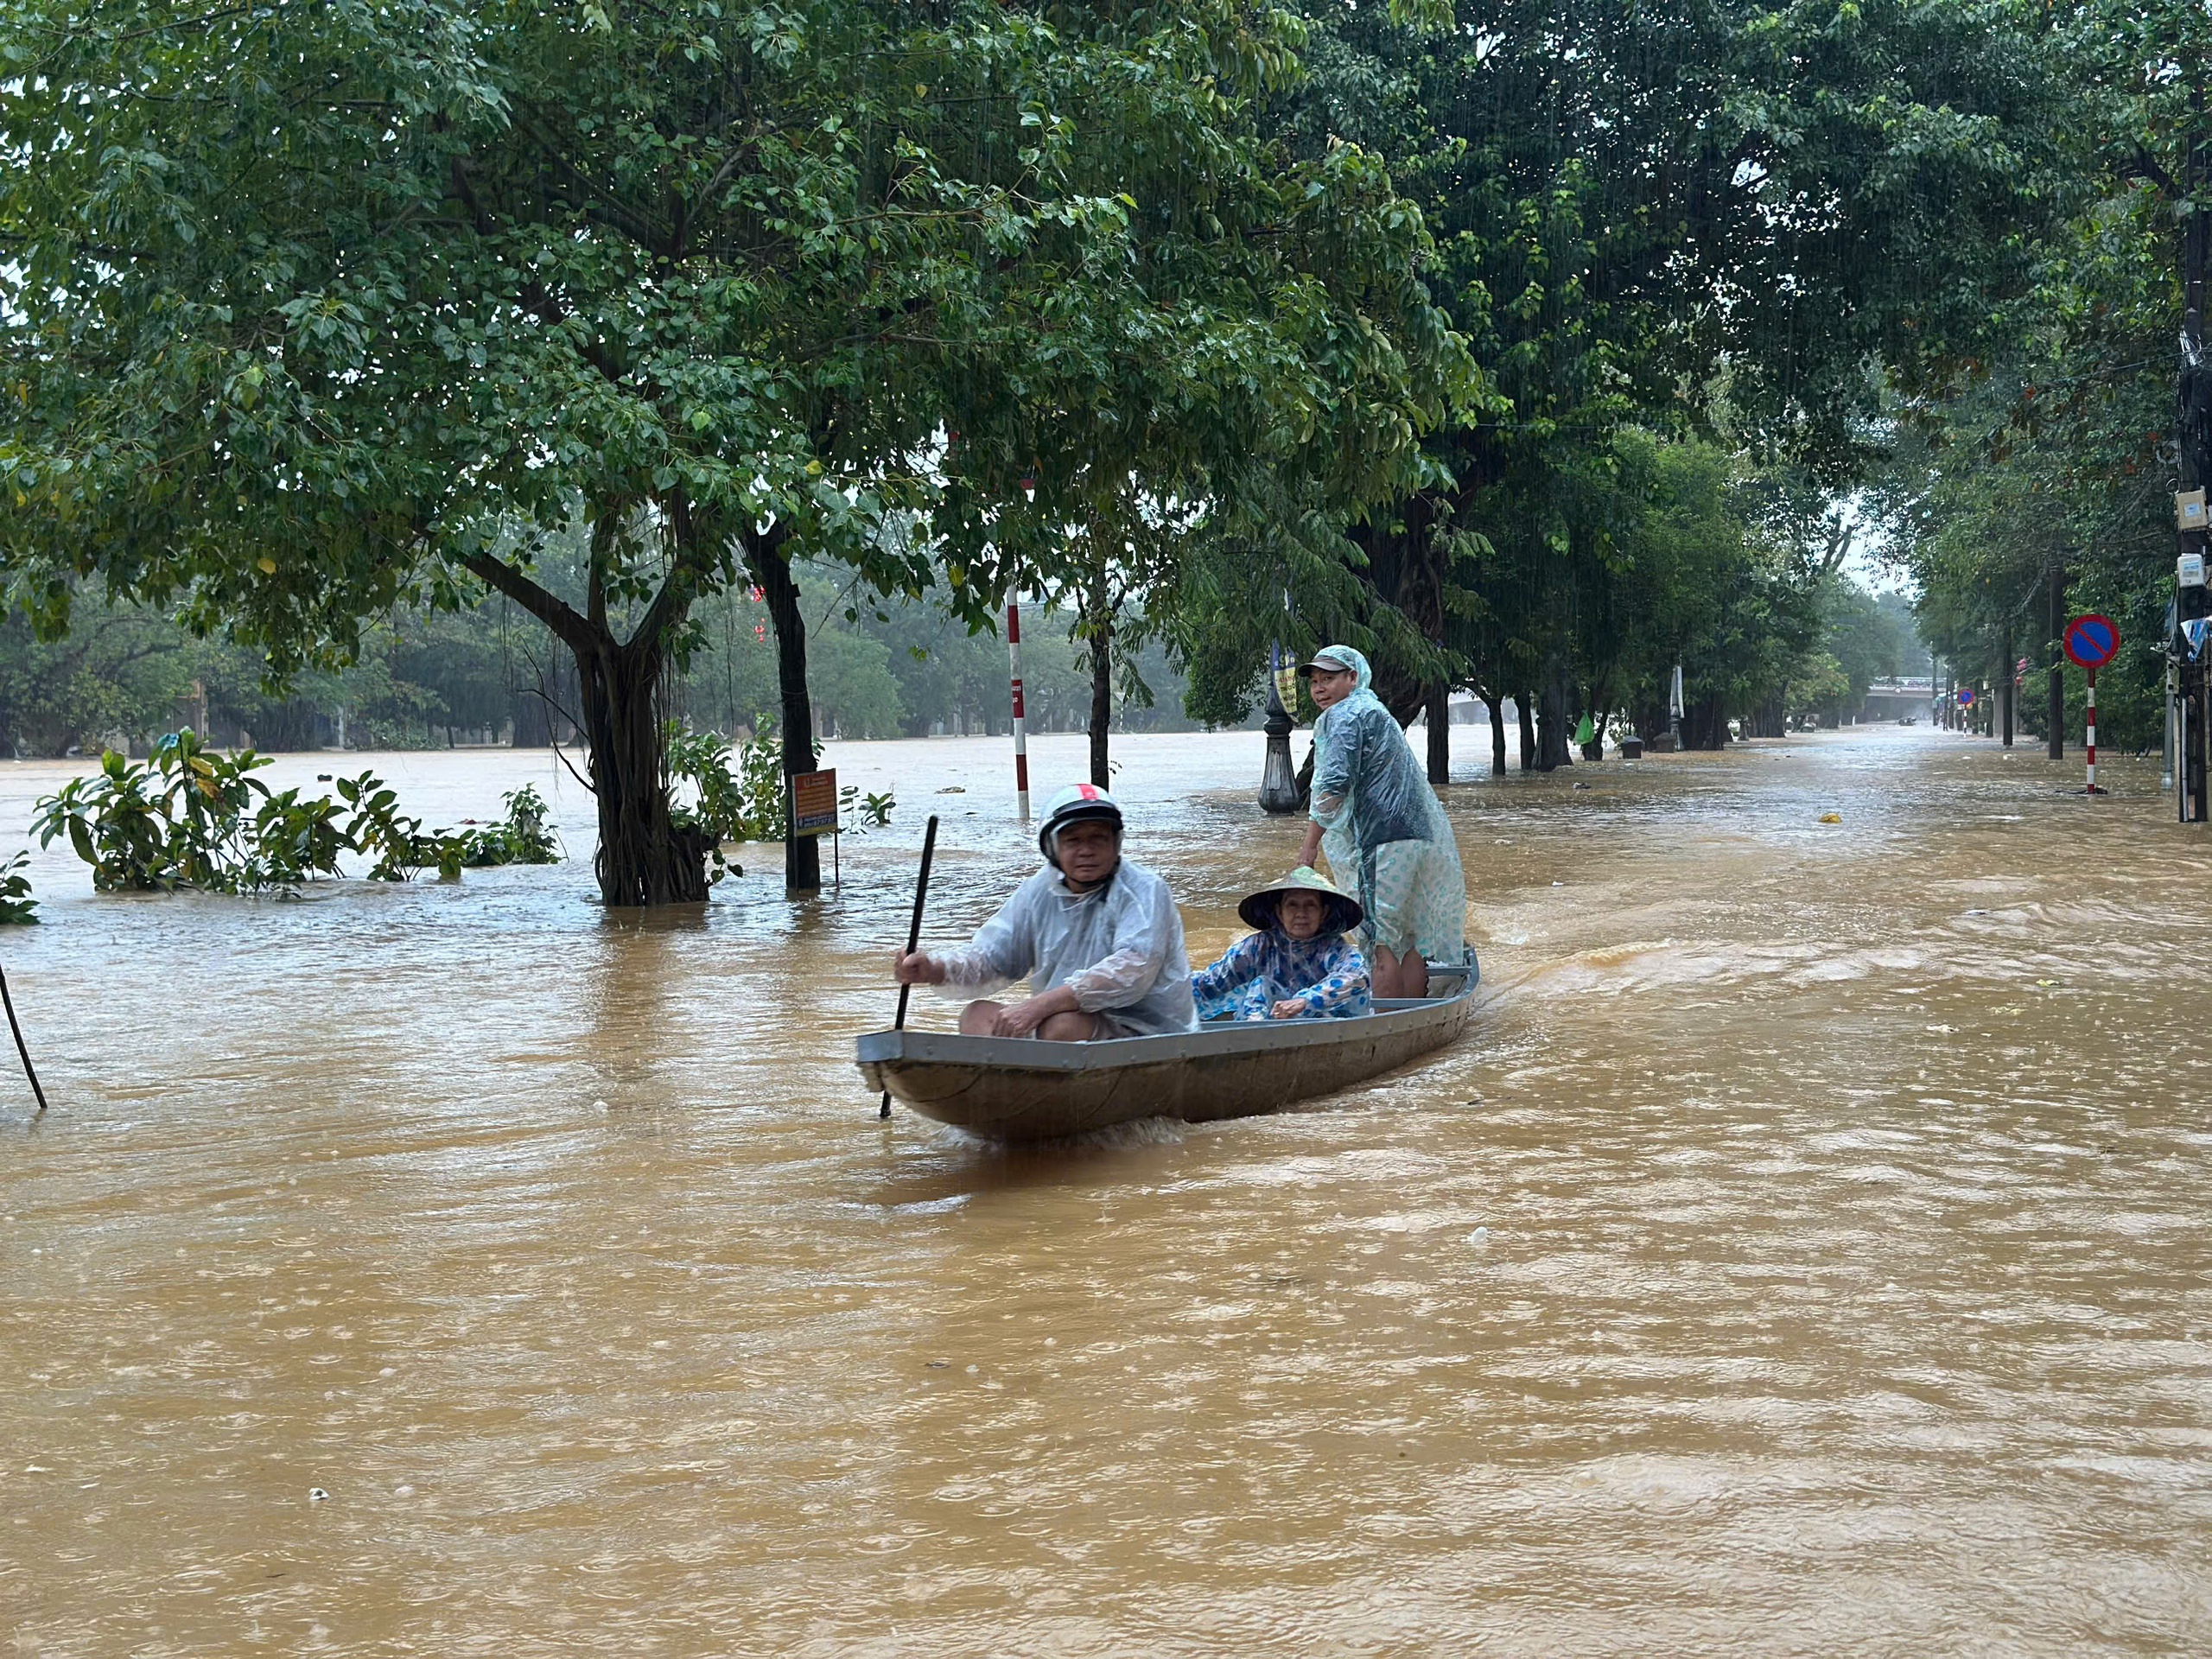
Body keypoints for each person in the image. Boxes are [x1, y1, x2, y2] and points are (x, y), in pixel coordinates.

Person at [892, 784, 1197, 1039]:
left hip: (1142, 1032)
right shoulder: (1039, 891)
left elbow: (1132, 971)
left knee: (1060, 1027)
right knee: (976, 1016)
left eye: (1098, 839)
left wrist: (1039, 1006)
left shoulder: (1145, 889)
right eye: (1073, 840)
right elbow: (991, 958)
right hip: (1059, 1020)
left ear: (1116, 844)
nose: (1086, 850)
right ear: (1053, 848)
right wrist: (934, 969)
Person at [1294, 645, 1466, 998]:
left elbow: (1333, 788)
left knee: (1377, 938)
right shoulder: (1375, 710)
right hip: (1419, 837)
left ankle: (1384, 1024)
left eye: (1329, 679)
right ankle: (1415, 1017)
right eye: (1314, 681)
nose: (1319, 688)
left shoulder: (1344, 715)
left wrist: (1309, 847)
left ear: (1353, 677)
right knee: (1410, 932)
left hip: (1383, 840)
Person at [1192, 867, 1372, 1022]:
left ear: (1323, 913)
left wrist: (1305, 1001)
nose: (1301, 913)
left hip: (1326, 1023)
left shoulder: (1336, 949)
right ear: (1279, 912)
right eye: (1292, 905)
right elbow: (1212, 981)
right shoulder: (1259, 946)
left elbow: (1356, 978)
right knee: (1261, 985)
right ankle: (1252, 1037)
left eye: (1310, 905)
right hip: (1268, 1025)